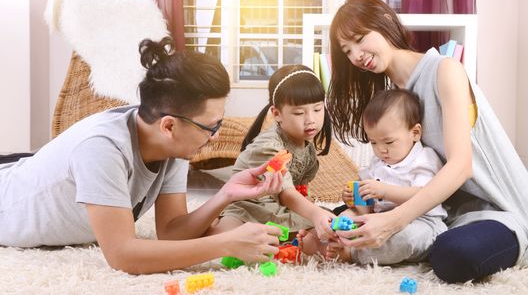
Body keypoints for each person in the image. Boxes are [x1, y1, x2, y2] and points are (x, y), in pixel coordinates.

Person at [0, 37, 285, 274]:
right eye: (211, 127)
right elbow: (122, 255)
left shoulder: (173, 147)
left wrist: (225, 194)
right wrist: (226, 244)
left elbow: (172, 232)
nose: (216, 135)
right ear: (169, 125)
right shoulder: (102, 148)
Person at [326, 0, 528, 283]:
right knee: (340, 218)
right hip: (443, 211)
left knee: (453, 256)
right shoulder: (394, 95)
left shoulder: (446, 70)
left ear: (384, 21)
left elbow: (461, 167)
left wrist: (392, 222)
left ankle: (400, 244)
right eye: (347, 51)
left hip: (499, 211)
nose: (356, 55)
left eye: (360, 39)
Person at [311, 89, 447, 264]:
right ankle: (329, 240)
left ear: (415, 133)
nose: (381, 149)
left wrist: (384, 191)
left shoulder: (424, 159)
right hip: (380, 220)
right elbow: (366, 205)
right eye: (374, 142)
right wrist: (355, 198)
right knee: (345, 216)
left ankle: (352, 254)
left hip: (422, 222)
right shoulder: (379, 161)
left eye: (389, 142)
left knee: (405, 239)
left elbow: (424, 194)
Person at [206, 65, 337, 245]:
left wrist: (315, 213)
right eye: (299, 113)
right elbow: (286, 194)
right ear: (277, 114)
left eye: (317, 109)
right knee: (225, 237)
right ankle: (214, 224)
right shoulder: (269, 146)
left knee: (327, 222)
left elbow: (299, 191)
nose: (311, 119)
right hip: (249, 205)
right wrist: (314, 214)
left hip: (280, 206)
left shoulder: (306, 145)